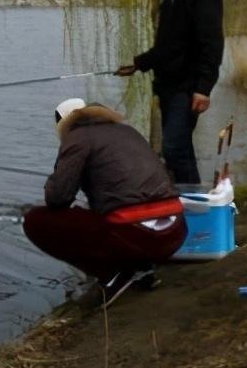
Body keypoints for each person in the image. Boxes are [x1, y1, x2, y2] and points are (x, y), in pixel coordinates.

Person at [22, 98, 188, 306]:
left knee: (36, 220)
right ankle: (143, 268)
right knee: (111, 213)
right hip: (175, 231)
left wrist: (53, 180)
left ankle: (112, 275)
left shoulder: (77, 138)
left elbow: (58, 198)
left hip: (137, 235)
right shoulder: (128, 132)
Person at [116, 0, 224, 186]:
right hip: (169, 84)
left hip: (186, 87)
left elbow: (212, 42)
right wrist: (140, 64)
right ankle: (188, 202)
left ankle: (196, 201)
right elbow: (170, 44)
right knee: (176, 150)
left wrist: (203, 88)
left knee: (175, 147)